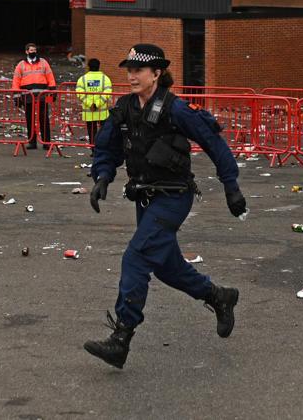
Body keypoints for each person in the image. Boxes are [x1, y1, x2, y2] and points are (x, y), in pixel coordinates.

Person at [83, 43, 248, 369]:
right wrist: (102, 176)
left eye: (138, 70)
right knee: (165, 265)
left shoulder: (176, 110)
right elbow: (108, 146)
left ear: (156, 73)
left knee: (137, 256)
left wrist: (231, 187)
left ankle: (121, 338)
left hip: (173, 197)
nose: (131, 75)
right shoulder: (125, 108)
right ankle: (219, 296)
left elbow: (213, 142)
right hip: (145, 198)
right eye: (128, 69)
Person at [14, 43, 56, 149]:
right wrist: (16, 96)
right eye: (31, 50)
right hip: (28, 96)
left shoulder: (43, 62)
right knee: (30, 119)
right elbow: (16, 81)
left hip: (42, 95)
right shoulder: (21, 65)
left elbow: (50, 76)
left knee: (44, 118)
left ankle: (46, 142)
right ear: (26, 51)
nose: (33, 52)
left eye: (35, 50)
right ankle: (32, 142)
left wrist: (53, 91)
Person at [76, 58, 114, 144]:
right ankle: (103, 149)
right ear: (99, 66)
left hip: (89, 112)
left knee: (92, 132)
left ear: (88, 67)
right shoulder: (105, 79)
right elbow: (107, 92)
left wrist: (91, 104)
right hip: (102, 113)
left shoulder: (82, 79)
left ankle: (94, 150)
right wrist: (97, 104)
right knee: (104, 132)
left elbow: (80, 93)